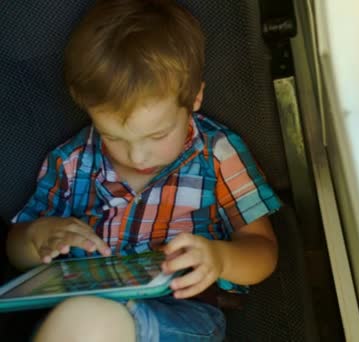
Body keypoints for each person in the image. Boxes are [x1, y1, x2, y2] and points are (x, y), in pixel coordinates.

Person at [5, 0, 282, 341]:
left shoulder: (216, 153)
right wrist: (38, 238)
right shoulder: (71, 161)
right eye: (112, 136)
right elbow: (15, 248)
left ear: (194, 99)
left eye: (157, 135)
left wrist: (220, 259)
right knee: (84, 318)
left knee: (89, 322)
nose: (137, 156)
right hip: (80, 304)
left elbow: (263, 249)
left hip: (180, 313)